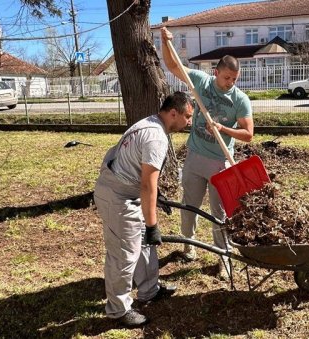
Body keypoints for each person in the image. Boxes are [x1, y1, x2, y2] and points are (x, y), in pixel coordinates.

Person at [161, 27, 254, 279]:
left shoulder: (240, 100)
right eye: (226, 78)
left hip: (220, 163)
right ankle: (188, 247)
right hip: (194, 158)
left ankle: (223, 256)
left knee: (219, 213)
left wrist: (224, 129)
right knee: (188, 206)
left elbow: (248, 134)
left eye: (234, 79)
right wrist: (164, 41)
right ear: (216, 73)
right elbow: (173, 66)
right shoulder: (201, 82)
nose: (230, 83)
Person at [93, 91, 193, 328]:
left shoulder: (149, 123)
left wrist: (155, 198)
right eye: (187, 116)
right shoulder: (156, 137)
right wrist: (152, 225)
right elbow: (148, 183)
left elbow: (139, 172)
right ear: (173, 113)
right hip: (117, 196)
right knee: (124, 253)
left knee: (145, 245)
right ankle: (118, 309)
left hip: (126, 190)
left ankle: (149, 290)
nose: (189, 122)